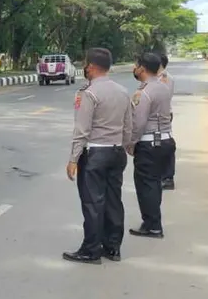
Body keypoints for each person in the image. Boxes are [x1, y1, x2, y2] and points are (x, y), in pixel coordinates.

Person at [63, 47, 132, 264]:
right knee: (113, 200)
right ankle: (113, 248)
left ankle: (91, 250)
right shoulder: (123, 91)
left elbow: (81, 129)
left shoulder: (89, 93)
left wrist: (73, 159)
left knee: (93, 203)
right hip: (116, 152)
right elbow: (128, 126)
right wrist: (127, 146)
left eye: (85, 63)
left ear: (91, 67)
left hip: (95, 153)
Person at [128, 52, 175, 239]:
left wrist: (130, 143)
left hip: (150, 143)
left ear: (142, 68)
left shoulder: (144, 92)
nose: (135, 68)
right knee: (154, 184)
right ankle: (153, 221)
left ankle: (153, 226)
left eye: (136, 65)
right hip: (166, 140)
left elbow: (138, 122)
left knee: (146, 185)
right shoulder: (163, 87)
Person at [158, 53, 177, 190]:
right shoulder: (161, 77)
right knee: (160, 144)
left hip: (160, 115)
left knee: (164, 144)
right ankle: (164, 175)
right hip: (162, 114)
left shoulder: (163, 78)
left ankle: (167, 177)